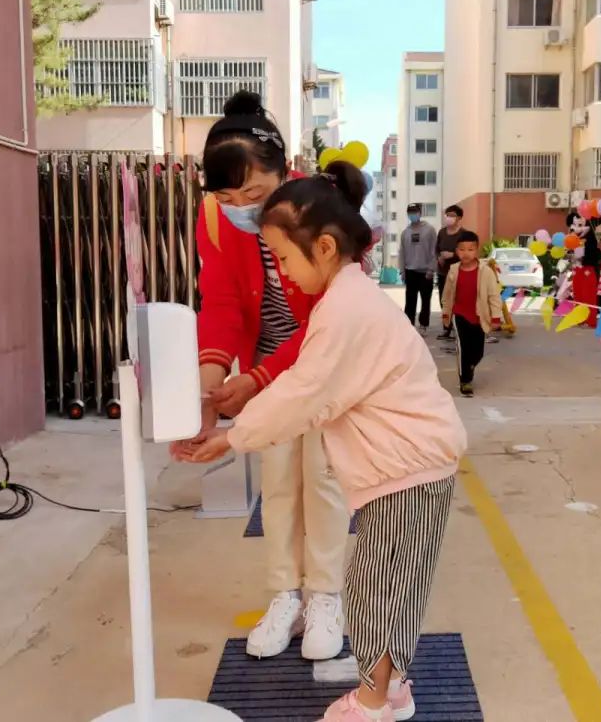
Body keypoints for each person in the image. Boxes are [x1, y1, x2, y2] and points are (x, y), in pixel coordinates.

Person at [181, 162, 466, 722]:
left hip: (410, 473)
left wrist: (234, 438)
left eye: (285, 259)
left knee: (378, 594)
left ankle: (374, 702)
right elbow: (303, 388)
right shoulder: (348, 299)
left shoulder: (345, 310)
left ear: (326, 248)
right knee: (390, 589)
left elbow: (305, 392)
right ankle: (391, 688)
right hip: (406, 469)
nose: (284, 274)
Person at [172, 90, 349, 661]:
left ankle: (326, 595)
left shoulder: (320, 209)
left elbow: (332, 314)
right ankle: (285, 595)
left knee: (322, 478)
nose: (241, 207)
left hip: (320, 365)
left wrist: (260, 376)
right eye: (227, 196)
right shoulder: (213, 220)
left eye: (254, 194)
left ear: (285, 170)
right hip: (264, 369)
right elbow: (221, 302)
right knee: (277, 484)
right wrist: (209, 387)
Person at [441, 231, 503, 397]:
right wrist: (446, 313)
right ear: (456, 251)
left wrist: (496, 317)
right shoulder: (454, 270)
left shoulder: (486, 272)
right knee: (462, 348)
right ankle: (465, 381)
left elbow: (493, 296)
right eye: (462, 249)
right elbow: (447, 294)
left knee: (477, 352)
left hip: (479, 316)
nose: (466, 253)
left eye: (470, 249)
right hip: (459, 314)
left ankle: (470, 366)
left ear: (477, 250)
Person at [399, 203, 437, 334]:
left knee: (425, 300)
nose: (412, 214)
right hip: (410, 271)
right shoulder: (405, 232)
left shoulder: (429, 230)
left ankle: (424, 324)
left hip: (426, 271)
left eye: (415, 212)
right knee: (410, 300)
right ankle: (409, 325)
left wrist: (431, 269)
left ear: (420, 213)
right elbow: (402, 253)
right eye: (410, 212)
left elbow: (434, 250)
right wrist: (402, 271)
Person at [435, 205, 468, 339]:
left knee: (458, 301)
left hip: (458, 273)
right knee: (444, 301)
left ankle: (459, 328)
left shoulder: (464, 234)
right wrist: (439, 257)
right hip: (443, 273)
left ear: (459, 218)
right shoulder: (442, 233)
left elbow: (467, 253)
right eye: (447, 215)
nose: (448, 217)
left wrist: (452, 255)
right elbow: (436, 249)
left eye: (452, 215)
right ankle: (446, 328)